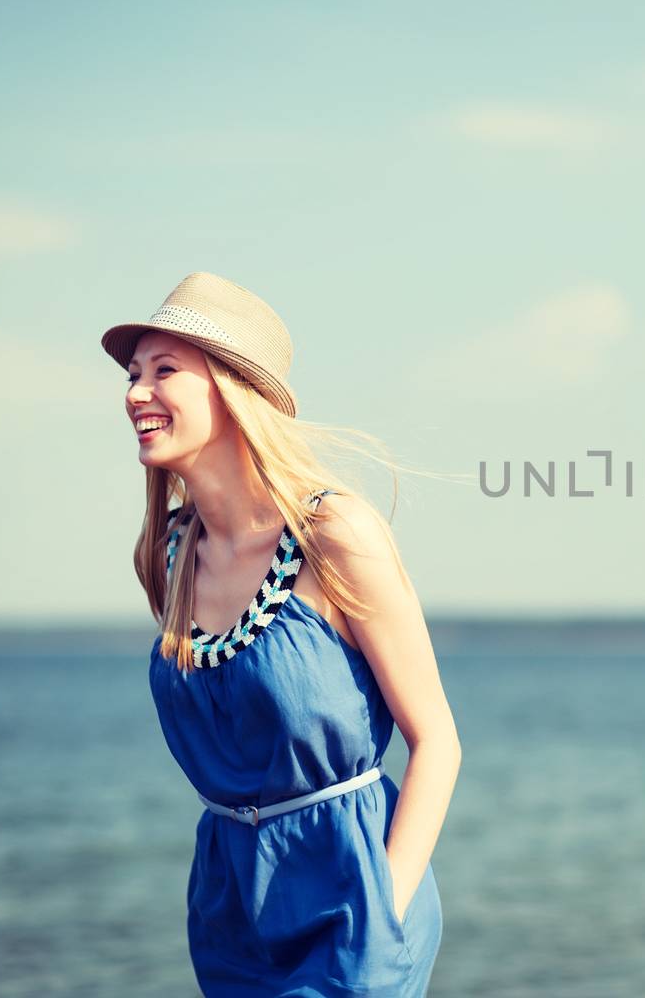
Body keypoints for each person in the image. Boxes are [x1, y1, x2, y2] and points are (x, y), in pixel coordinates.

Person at [101, 272, 461, 996]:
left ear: (234, 392)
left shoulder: (334, 535)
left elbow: (438, 743)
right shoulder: (167, 554)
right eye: (135, 374)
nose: (136, 391)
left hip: (350, 902)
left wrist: (383, 909)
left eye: (164, 370)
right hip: (229, 914)